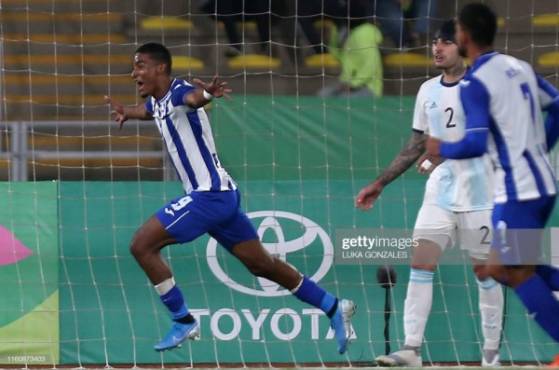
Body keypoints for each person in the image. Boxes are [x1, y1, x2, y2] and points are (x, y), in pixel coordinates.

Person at [104, 42, 355, 353]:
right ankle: (333, 306)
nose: (134, 73)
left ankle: (183, 320)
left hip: (208, 196)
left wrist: (207, 94)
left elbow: (193, 99)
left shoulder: (180, 91)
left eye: (140, 65)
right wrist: (127, 112)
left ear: (161, 69)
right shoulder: (158, 101)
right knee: (262, 265)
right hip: (222, 196)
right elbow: (149, 111)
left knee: (141, 245)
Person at [356, 20, 503, 367]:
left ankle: (491, 355)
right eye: (435, 42)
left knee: (485, 273)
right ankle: (411, 349)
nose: (437, 48)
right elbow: (415, 146)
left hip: (481, 193)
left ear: (463, 46)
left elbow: (491, 140)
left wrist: (446, 151)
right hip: (440, 194)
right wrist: (380, 182)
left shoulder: (482, 86)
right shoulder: (427, 91)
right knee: (421, 264)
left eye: (447, 42)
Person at [425, 3, 559, 346]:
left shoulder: (475, 83)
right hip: (541, 184)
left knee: (506, 269)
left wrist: (441, 148)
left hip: (518, 190)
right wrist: (541, 146)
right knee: (500, 268)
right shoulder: (519, 66)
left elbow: (475, 144)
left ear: (464, 36)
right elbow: (557, 105)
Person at [318, 0, 383, 98]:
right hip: (347, 83)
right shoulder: (351, 34)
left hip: (368, 88)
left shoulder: (364, 34)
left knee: (341, 100)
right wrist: (335, 35)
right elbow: (339, 55)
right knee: (323, 94)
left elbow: (371, 63)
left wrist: (353, 85)